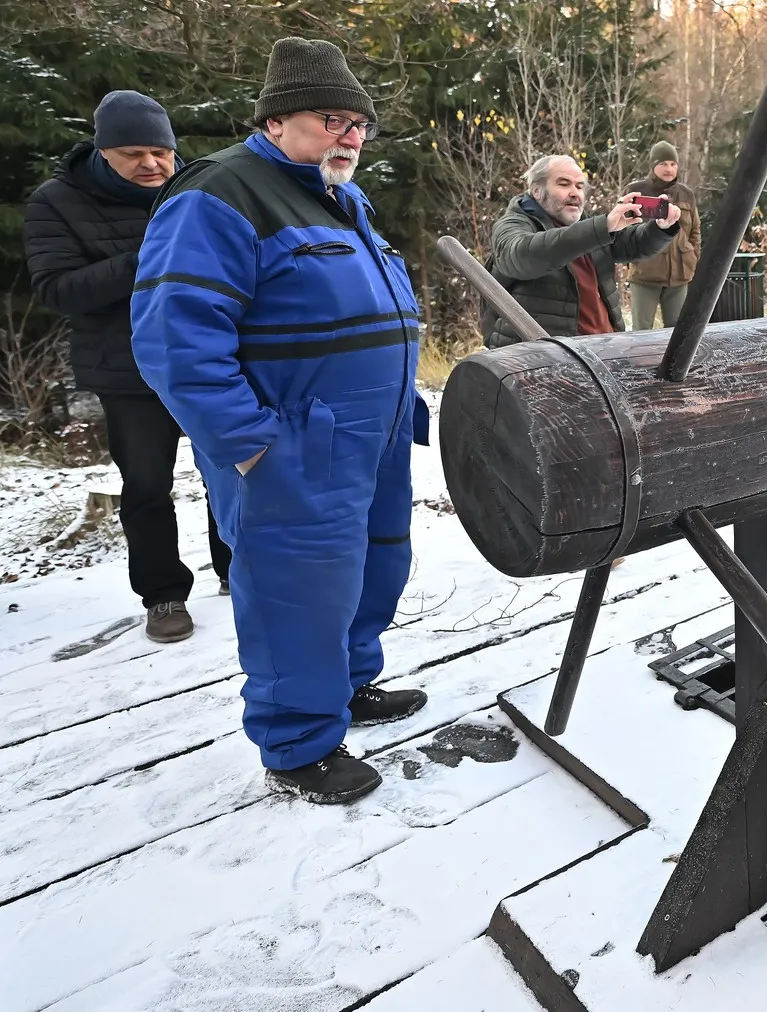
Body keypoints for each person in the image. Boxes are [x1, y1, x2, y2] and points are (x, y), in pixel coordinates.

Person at [131, 37, 430, 804]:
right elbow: (176, 340)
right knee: (298, 591)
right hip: (296, 447)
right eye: (334, 118)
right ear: (276, 120)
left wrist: (407, 400)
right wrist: (248, 444)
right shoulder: (222, 193)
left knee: (372, 567)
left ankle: (350, 686)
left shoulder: (341, 198)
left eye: (361, 123)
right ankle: (297, 742)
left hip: (374, 438)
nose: (352, 137)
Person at [24, 90, 233, 644]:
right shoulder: (58, 201)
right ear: (103, 151)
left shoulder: (198, 186)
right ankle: (163, 594)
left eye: (161, 152)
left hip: (211, 356)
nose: (152, 165)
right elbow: (59, 290)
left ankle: (239, 570)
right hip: (129, 368)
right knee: (145, 485)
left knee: (233, 467)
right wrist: (149, 256)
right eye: (134, 153)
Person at [482, 154, 681, 346]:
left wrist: (661, 228)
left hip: (602, 350)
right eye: (563, 183)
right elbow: (521, 257)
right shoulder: (513, 223)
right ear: (536, 191)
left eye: (579, 186)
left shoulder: (586, 224)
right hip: (545, 358)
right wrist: (602, 227)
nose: (575, 193)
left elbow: (632, 244)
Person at [625, 140, 703, 330]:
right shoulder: (636, 191)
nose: (669, 168)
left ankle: (674, 362)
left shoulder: (686, 194)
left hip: (679, 276)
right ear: (653, 166)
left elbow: (695, 230)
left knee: (678, 331)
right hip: (645, 273)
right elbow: (624, 229)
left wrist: (692, 256)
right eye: (663, 164)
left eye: (673, 164)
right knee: (641, 330)